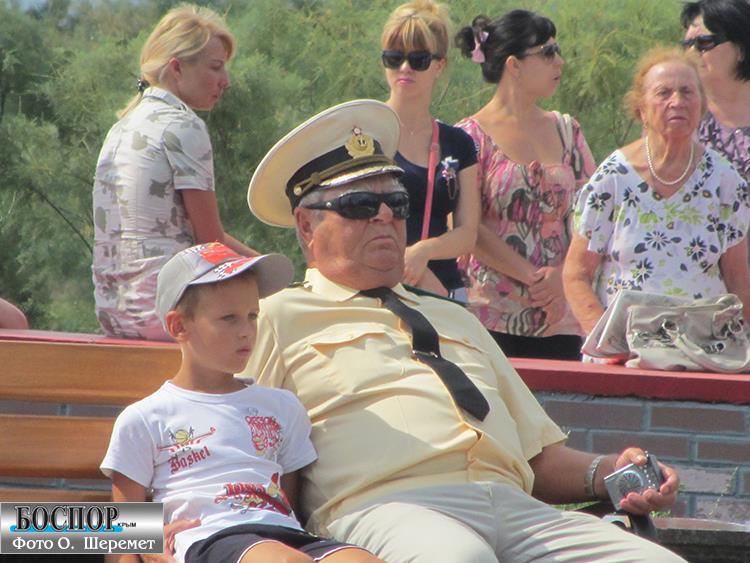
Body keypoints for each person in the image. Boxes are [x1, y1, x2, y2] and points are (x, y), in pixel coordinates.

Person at [239, 99, 683, 562]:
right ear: (306, 225)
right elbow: (228, 444)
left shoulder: (456, 317)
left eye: (397, 203)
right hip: (387, 506)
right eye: (359, 205)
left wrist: (610, 469)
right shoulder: (275, 316)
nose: (385, 216)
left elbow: (537, 459)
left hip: (516, 508)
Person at [101, 242, 382, 563]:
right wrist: (146, 543)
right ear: (179, 326)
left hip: (286, 535)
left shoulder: (282, 407)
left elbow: (290, 505)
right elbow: (121, 543)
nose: (247, 331)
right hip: (210, 538)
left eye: (252, 316)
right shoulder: (144, 418)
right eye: (229, 318)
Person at [92, 5, 258, 341]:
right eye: (216, 67)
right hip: (165, 314)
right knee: (280, 316)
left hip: (114, 315)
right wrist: (269, 273)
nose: (225, 81)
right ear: (177, 68)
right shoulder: (183, 125)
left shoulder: (121, 127)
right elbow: (210, 242)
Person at [563, 47, 750, 337]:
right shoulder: (613, 177)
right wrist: (606, 341)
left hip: (703, 349)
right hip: (625, 349)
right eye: (664, 93)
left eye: (687, 92)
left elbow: (738, 279)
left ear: (701, 105)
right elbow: (577, 273)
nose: (677, 101)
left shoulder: (725, 182)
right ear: (641, 109)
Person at [453, 10, 596, 360]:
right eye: (548, 52)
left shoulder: (567, 131)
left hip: (561, 318)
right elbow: (467, 228)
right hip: (488, 316)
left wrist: (561, 277)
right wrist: (536, 279)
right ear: (514, 65)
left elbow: (594, 217)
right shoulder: (468, 138)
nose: (559, 61)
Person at [381, 0, 479, 298]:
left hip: (444, 291)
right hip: (381, 287)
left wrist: (423, 251)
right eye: (394, 58)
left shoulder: (458, 143)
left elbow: (467, 234)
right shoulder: (364, 134)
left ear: (439, 65)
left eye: (419, 59)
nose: (404, 68)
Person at [681, 0, 750, 185]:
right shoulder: (676, 113)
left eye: (704, 43)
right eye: (687, 44)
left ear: (741, 49)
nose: (692, 52)